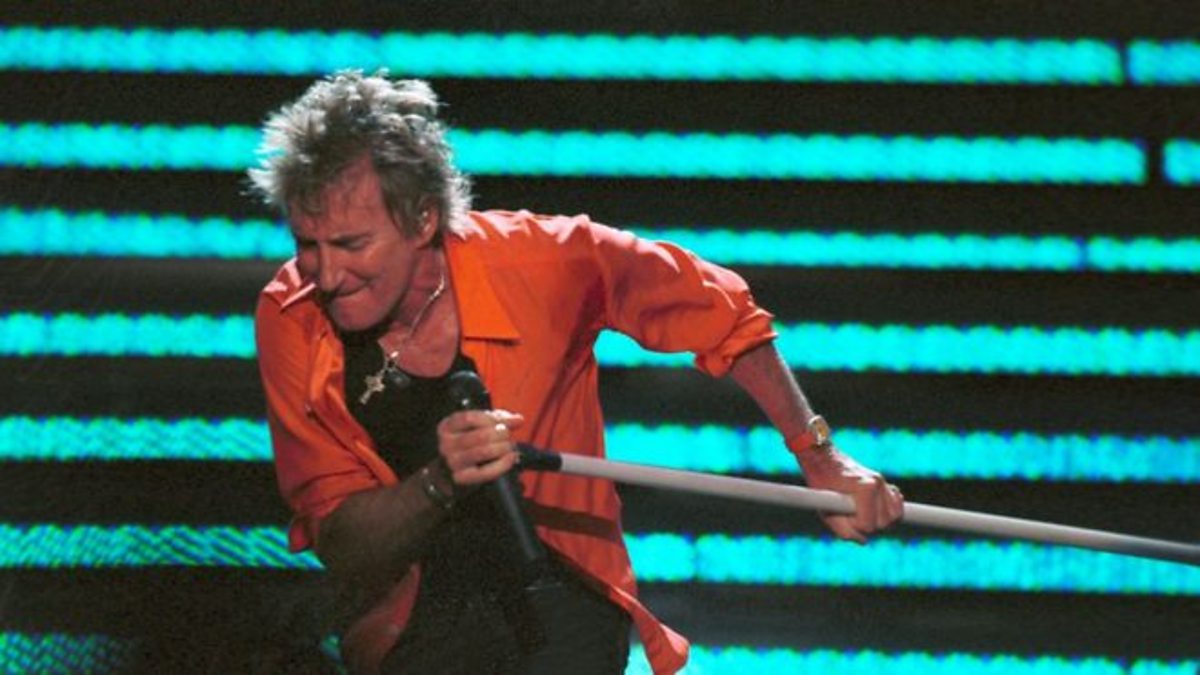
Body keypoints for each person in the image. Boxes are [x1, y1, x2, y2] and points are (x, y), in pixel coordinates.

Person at [249, 70, 904, 675]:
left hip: (564, 589)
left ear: (422, 218)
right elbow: (341, 538)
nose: (326, 274)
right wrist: (439, 483)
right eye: (308, 244)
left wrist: (820, 457)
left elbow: (727, 315)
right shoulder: (291, 315)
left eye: (351, 244)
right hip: (407, 617)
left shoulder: (545, 264)